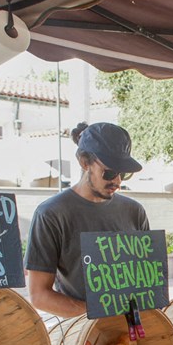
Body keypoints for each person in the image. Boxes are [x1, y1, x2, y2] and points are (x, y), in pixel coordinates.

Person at [25, 122, 149, 317]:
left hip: (130, 337)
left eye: (124, 173)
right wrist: (101, 318)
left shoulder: (135, 212)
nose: (117, 181)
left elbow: (145, 280)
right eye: (109, 172)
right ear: (84, 162)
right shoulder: (51, 214)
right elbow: (39, 295)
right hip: (81, 339)